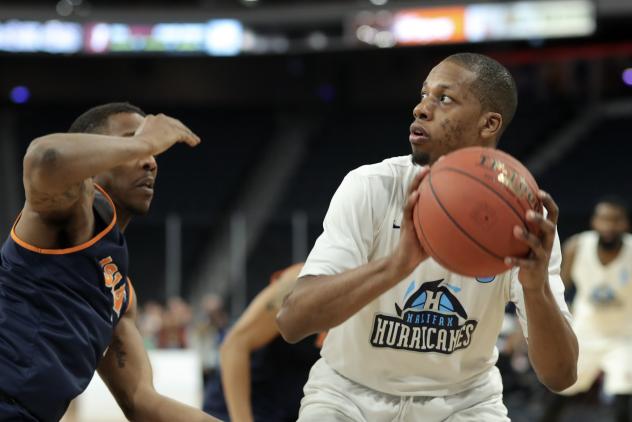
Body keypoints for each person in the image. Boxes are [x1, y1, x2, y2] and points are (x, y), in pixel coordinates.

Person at [276, 52, 578, 421]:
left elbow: (561, 376)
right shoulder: (371, 187)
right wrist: (397, 265)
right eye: (423, 95)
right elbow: (292, 323)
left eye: (443, 98)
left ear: (489, 123)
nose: (421, 109)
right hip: (348, 394)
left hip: (464, 401)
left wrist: (535, 290)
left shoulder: (526, 216)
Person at [0, 102, 219, 422]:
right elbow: (42, 158)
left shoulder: (120, 294)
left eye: (153, 152)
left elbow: (142, 401)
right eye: (130, 142)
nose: (150, 161)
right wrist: (144, 141)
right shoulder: (72, 210)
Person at [540, 196, 632, 422]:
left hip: (623, 336)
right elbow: (556, 289)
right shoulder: (577, 246)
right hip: (585, 333)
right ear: (594, 222)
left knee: (623, 398)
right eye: (604, 219)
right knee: (562, 390)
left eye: (615, 220)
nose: (609, 226)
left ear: (625, 224)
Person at [203, 263, 323, 421]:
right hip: (241, 410)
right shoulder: (301, 281)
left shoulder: (361, 294)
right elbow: (234, 345)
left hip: (288, 409)